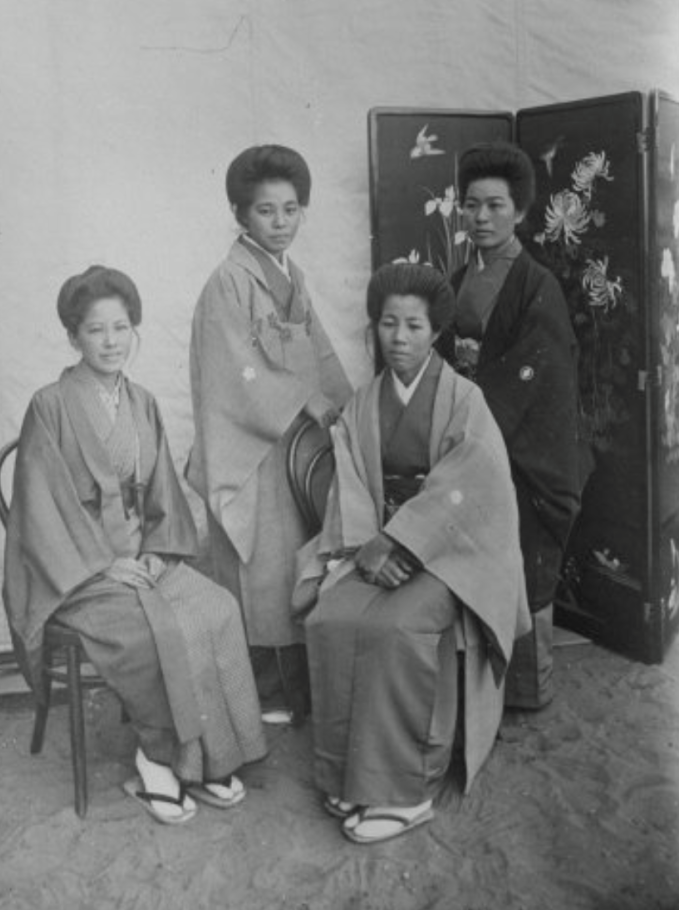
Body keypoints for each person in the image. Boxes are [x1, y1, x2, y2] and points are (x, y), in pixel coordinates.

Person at [3, 265, 266, 827]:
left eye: (121, 328)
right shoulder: (49, 406)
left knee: (216, 608)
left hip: (141, 559)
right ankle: (157, 761)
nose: (110, 341)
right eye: (96, 330)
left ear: (134, 330)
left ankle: (210, 757)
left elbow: (162, 495)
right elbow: (40, 512)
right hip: (76, 574)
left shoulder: (142, 402)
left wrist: (157, 550)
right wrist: (106, 565)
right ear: (73, 336)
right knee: (161, 630)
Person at [293, 262, 530, 845]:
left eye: (415, 326)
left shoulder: (463, 400)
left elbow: (470, 488)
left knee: (398, 627)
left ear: (435, 332)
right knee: (333, 615)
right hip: (372, 543)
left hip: (451, 555)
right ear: (375, 327)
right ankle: (350, 775)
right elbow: (348, 484)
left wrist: (400, 540)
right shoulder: (362, 405)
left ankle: (407, 791)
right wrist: (368, 548)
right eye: (388, 324)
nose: (399, 338)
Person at [186, 144, 352, 724]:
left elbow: (321, 354)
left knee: (293, 561)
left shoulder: (290, 276)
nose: (280, 223)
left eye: (290, 210)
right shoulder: (227, 283)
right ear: (240, 214)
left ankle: (292, 685)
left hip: (293, 445)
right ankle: (261, 690)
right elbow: (235, 371)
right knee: (259, 567)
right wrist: (305, 400)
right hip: (251, 448)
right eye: (265, 211)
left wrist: (346, 409)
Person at [444, 141, 584, 709]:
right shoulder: (457, 279)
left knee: (526, 561)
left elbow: (540, 370)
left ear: (521, 211)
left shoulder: (537, 285)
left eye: (496, 206)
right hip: (475, 435)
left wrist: (477, 416)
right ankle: (483, 684)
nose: (481, 217)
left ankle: (530, 686)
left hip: (523, 447)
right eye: (472, 205)